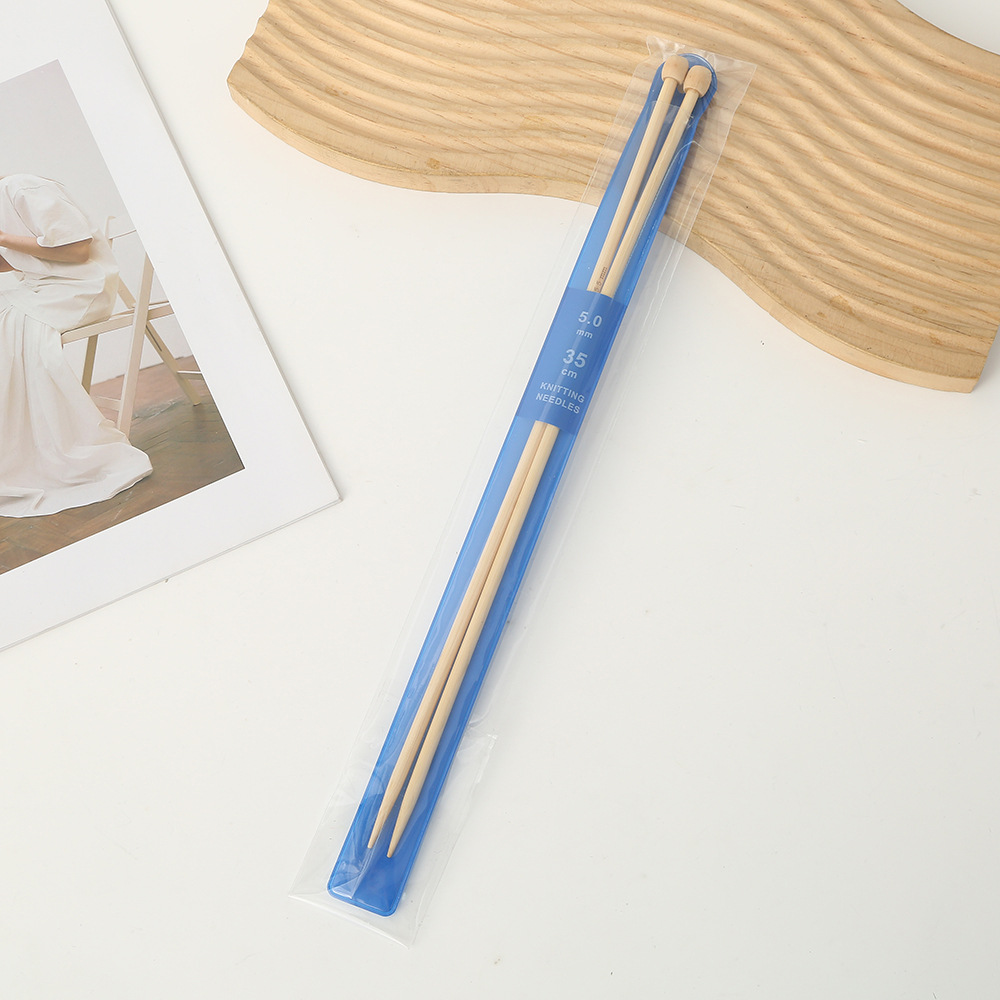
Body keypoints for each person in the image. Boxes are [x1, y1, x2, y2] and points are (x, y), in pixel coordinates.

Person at [0, 173, 152, 517]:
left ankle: (40, 452)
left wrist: (3, 238)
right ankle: (14, 452)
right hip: (46, 289)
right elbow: (22, 261)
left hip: (81, 289)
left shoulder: (22, 187)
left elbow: (77, 250)